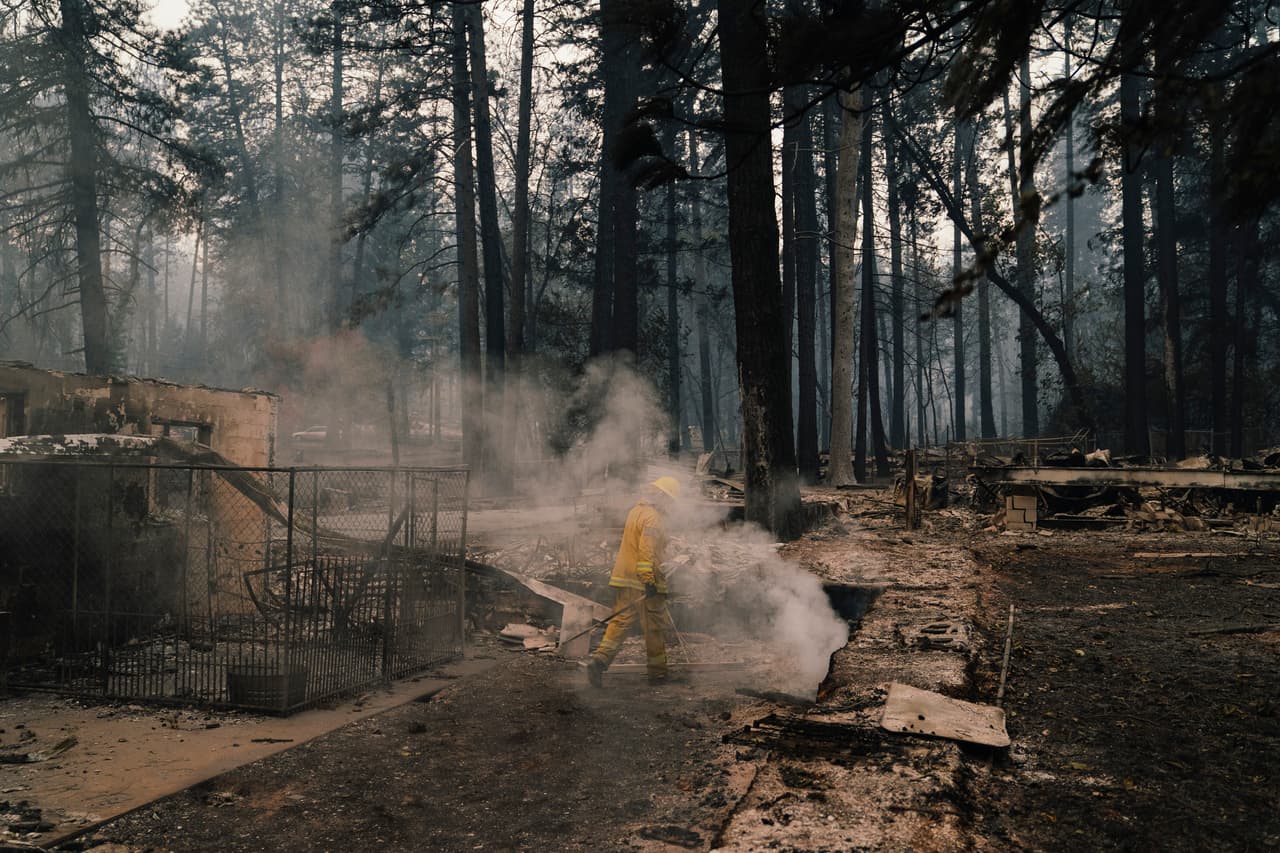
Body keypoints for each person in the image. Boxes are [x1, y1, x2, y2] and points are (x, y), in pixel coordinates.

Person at [587, 476, 681, 687]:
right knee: (654, 627)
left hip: (626, 578)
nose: (671, 505)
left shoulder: (636, 511)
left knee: (619, 623)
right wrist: (649, 581)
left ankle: (599, 661)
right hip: (643, 582)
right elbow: (646, 551)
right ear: (663, 497)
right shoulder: (653, 518)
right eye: (671, 500)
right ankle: (658, 674)